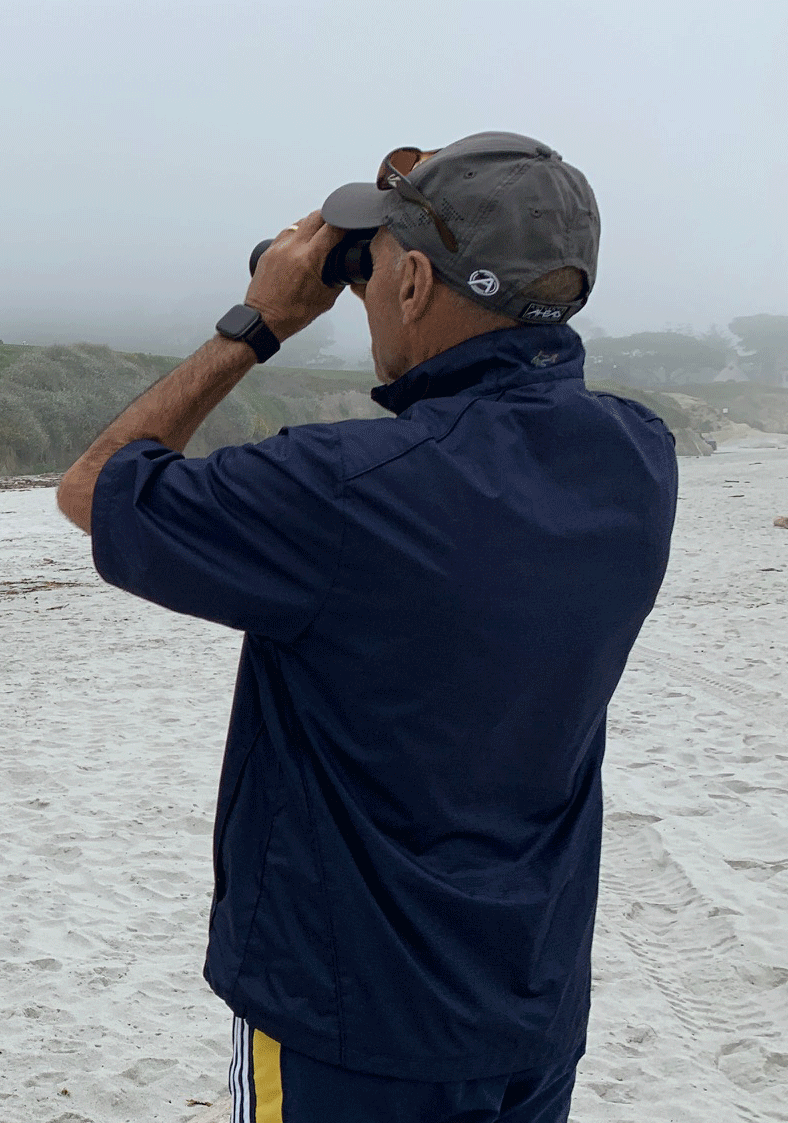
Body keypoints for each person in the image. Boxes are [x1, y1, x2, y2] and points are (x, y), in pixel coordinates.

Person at [55, 132, 675, 1123]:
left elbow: (95, 489)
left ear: (417, 282)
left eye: (379, 267)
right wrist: (413, 237)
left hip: (350, 1025)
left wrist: (258, 323)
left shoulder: (343, 491)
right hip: (532, 1010)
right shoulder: (639, 462)